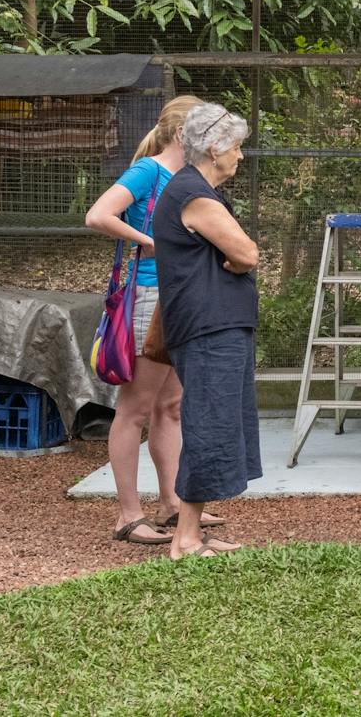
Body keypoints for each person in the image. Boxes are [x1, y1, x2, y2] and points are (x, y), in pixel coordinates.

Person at [85, 94, 234, 547]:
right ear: (182, 132)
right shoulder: (149, 170)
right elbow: (98, 215)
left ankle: (171, 503)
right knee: (134, 409)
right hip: (150, 296)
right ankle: (128, 515)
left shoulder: (191, 176)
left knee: (170, 406)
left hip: (181, 296)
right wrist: (148, 241)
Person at [152, 103, 262, 558]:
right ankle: (185, 539)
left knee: (215, 422)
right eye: (236, 147)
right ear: (215, 148)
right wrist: (239, 260)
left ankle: (192, 530)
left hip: (215, 325)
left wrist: (236, 259)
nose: (240, 155)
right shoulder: (192, 194)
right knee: (208, 423)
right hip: (208, 328)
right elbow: (247, 253)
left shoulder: (194, 190)